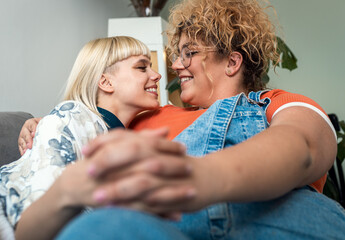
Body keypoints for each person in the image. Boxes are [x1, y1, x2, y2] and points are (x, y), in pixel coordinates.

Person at [18, 0, 345, 239]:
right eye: (178, 54)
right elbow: (88, 121)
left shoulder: (274, 102)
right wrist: (43, 122)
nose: (175, 65)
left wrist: (197, 176)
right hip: (158, 225)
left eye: (190, 52)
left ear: (231, 62)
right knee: (97, 229)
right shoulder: (146, 115)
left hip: (270, 217)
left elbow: (304, 146)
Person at [0, 36, 185, 240]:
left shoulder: (113, 133)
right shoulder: (71, 115)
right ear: (105, 82)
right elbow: (40, 209)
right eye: (142, 67)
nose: (158, 75)